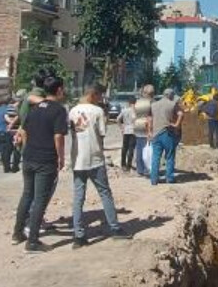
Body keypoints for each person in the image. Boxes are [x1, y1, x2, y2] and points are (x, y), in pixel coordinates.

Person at [12, 75, 68, 253]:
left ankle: (17, 233)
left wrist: (27, 149)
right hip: (46, 160)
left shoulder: (35, 109)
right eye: (63, 88)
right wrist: (61, 158)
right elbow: (58, 136)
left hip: (29, 157)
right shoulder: (58, 110)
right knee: (40, 200)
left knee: (27, 195)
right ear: (58, 90)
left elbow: (24, 130)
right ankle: (33, 241)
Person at [68, 84, 124, 248]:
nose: (101, 99)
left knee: (78, 197)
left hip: (78, 159)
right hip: (95, 158)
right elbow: (102, 134)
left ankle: (78, 235)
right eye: (100, 96)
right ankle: (114, 228)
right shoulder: (97, 111)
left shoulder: (72, 111)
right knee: (105, 193)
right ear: (93, 95)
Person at [148, 88, 183, 185]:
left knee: (155, 157)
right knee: (170, 156)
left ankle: (154, 180)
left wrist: (150, 132)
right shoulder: (172, 104)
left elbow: (149, 119)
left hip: (155, 134)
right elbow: (181, 114)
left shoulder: (153, 105)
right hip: (167, 133)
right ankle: (169, 178)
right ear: (171, 95)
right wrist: (176, 125)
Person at [133, 85, 154, 177]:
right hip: (147, 126)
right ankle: (146, 169)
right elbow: (152, 116)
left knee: (139, 147)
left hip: (137, 125)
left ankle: (139, 169)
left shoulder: (138, 102)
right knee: (147, 148)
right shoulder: (151, 102)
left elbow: (134, 114)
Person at [117, 97, 138, 172]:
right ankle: (128, 166)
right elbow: (134, 118)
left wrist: (121, 128)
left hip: (126, 130)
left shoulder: (124, 110)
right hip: (133, 131)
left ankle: (123, 164)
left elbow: (118, 119)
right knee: (131, 148)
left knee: (124, 148)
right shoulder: (134, 111)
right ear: (135, 103)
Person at [2, 97, 21, 172]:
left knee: (7, 150)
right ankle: (15, 167)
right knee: (17, 150)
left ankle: (6, 168)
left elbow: (5, 116)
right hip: (17, 131)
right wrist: (13, 123)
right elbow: (20, 117)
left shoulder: (8, 108)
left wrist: (10, 123)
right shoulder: (19, 108)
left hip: (9, 131)